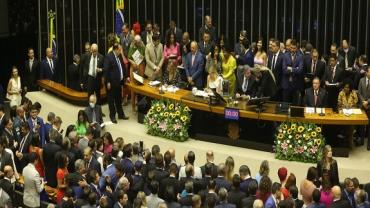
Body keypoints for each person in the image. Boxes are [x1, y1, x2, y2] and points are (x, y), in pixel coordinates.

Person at [105, 43, 129, 123]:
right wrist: (107, 81)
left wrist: (126, 76)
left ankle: (121, 114)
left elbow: (122, 67)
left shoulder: (119, 56)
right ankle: (112, 116)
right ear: (115, 49)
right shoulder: (109, 57)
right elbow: (106, 70)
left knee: (119, 99)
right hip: (111, 83)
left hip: (119, 83)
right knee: (111, 101)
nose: (121, 51)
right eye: (119, 50)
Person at [282, 39, 304, 104]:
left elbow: (300, 70)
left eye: (294, 48)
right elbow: (284, 70)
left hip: (296, 85)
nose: (292, 50)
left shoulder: (300, 56)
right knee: (285, 105)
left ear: (296, 48)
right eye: (291, 47)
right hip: (286, 85)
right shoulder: (285, 55)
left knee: (295, 105)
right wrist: (295, 69)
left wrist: (290, 68)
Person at [357, 66, 370, 150]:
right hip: (362, 105)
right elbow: (359, 92)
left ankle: (369, 144)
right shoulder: (361, 80)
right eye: (369, 72)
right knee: (361, 125)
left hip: (369, 105)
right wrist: (363, 102)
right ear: (366, 72)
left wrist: (367, 102)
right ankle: (360, 140)